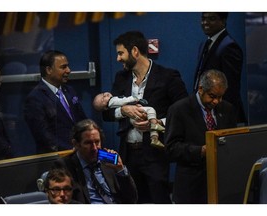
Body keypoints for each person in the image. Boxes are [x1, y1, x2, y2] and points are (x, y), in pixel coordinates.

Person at [102, 31, 188, 203]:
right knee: (132, 201)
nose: (118, 59)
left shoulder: (168, 77)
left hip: (155, 154)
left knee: (159, 201)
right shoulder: (121, 77)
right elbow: (107, 113)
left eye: (120, 53)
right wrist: (123, 111)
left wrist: (156, 124)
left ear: (134, 51)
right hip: (128, 153)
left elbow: (184, 113)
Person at [165, 69, 237, 204]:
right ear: (200, 89)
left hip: (222, 186)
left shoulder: (228, 109)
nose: (216, 101)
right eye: (212, 96)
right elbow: (171, 149)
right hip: (191, 188)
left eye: (220, 97)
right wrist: (201, 151)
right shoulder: (179, 110)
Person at [53, 119, 138, 204]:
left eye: (97, 142)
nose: (94, 148)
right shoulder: (64, 166)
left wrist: (120, 170)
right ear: (76, 144)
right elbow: (63, 201)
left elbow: (132, 199)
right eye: (88, 143)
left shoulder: (107, 161)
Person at [24, 50, 87, 154]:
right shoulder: (35, 98)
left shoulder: (70, 91)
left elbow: (83, 121)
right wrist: (71, 151)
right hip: (56, 158)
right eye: (63, 67)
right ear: (48, 70)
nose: (69, 70)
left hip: (78, 154)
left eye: (68, 66)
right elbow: (43, 136)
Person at [193, 12, 246, 125]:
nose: (205, 23)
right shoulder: (205, 43)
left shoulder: (229, 46)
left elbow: (231, 87)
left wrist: (224, 114)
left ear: (223, 21)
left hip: (221, 112)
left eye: (211, 19)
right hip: (205, 108)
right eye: (203, 19)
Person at [93, 92, 165, 148]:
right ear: (105, 108)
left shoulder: (113, 99)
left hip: (134, 116)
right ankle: (154, 128)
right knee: (151, 110)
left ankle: (154, 137)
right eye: (103, 99)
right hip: (134, 115)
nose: (105, 95)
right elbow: (123, 101)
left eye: (102, 94)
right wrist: (134, 99)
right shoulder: (111, 101)